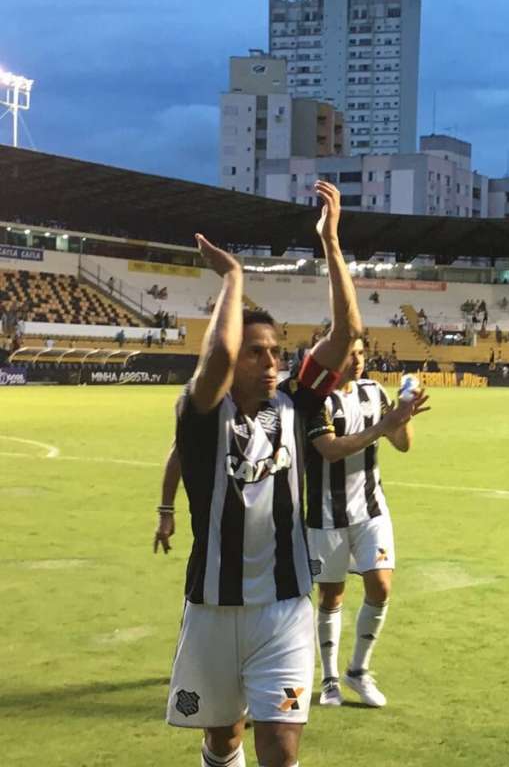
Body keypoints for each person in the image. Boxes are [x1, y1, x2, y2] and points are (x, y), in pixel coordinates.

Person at [155, 181, 360, 767]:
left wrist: (332, 243)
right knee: (224, 739)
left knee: (280, 744)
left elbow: (345, 334)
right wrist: (233, 278)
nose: (272, 362)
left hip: (286, 605)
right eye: (258, 352)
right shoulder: (198, 416)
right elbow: (214, 360)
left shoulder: (297, 405)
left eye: (276, 351)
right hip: (213, 607)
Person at [305, 338, 429, 708]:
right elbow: (328, 450)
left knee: (381, 587)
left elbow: (402, 444)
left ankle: (357, 671)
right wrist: (382, 427)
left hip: (371, 509)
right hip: (327, 514)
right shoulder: (317, 402)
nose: (357, 360)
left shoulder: (373, 391)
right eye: (349, 354)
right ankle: (329, 680)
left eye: (360, 353)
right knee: (331, 596)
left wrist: (401, 416)